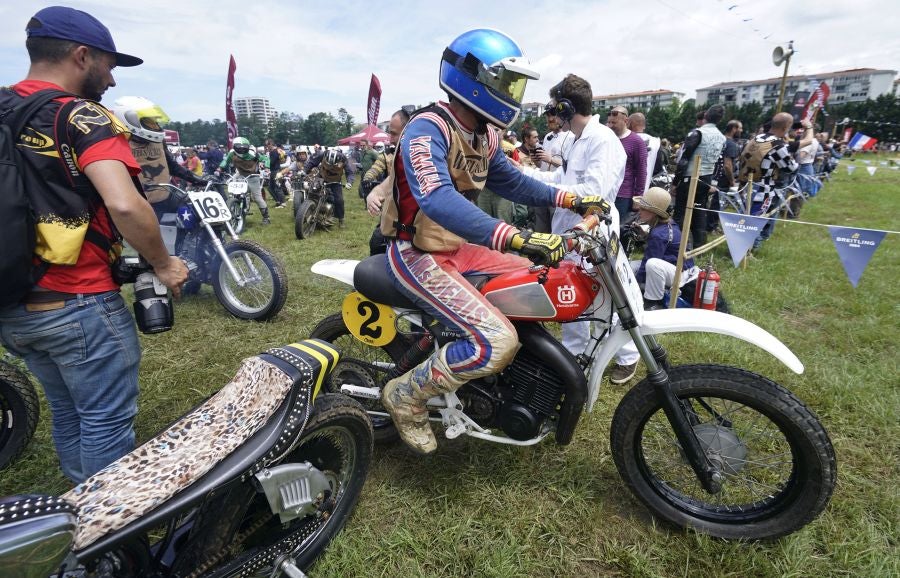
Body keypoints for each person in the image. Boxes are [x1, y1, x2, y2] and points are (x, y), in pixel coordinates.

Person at [378, 29, 604, 454]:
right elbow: (437, 197)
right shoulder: (427, 129)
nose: (513, 95)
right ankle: (406, 395)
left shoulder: (486, 134)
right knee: (496, 342)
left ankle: (515, 385)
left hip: (457, 248)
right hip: (416, 252)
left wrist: (570, 198)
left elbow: (514, 182)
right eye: (508, 84)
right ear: (473, 78)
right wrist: (516, 237)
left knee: (542, 280)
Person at [0, 6, 188, 483]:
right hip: (78, 302)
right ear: (82, 56)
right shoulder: (81, 116)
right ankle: (110, 544)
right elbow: (125, 205)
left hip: (15, 307)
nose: (112, 80)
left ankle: (77, 518)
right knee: (104, 419)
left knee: (69, 413)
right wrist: (164, 265)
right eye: (110, 65)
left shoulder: (4, 108)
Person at [522, 74, 640, 385]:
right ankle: (575, 352)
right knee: (571, 291)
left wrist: (548, 189)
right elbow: (562, 183)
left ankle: (628, 356)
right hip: (571, 232)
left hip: (591, 232)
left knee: (610, 298)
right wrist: (523, 175)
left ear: (564, 106)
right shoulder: (576, 139)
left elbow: (593, 192)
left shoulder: (601, 140)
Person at [110, 96, 208, 219]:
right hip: (139, 204)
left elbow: (170, 165)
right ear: (130, 120)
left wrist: (196, 179)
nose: (155, 126)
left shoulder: (158, 140)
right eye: (149, 122)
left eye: (155, 122)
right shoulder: (117, 143)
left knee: (192, 221)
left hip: (165, 196)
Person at [738, 113, 812, 250]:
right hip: (763, 189)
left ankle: (743, 247)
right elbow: (791, 168)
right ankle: (749, 250)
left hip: (745, 186)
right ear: (786, 128)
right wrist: (809, 127)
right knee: (756, 221)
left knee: (745, 220)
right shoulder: (778, 145)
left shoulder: (755, 139)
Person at [628, 187, 696, 310]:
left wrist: (636, 284)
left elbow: (649, 261)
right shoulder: (666, 223)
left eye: (643, 208)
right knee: (629, 267)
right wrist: (645, 235)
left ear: (654, 212)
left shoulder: (659, 234)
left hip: (684, 278)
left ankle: (653, 303)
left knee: (652, 265)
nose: (639, 211)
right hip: (679, 268)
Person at [671, 105, 726, 249]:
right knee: (700, 212)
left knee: (680, 212)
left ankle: (677, 244)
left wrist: (675, 182)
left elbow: (684, 159)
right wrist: (713, 182)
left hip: (689, 177)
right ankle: (699, 246)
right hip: (706, 178)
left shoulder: (697, 133)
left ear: (706, 115)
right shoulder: (722, 137)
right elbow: (719, 162)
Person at [606, 105, 647, 223]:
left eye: (614, 122)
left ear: (626, 121)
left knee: (619, 229)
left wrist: (637, 197)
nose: (610, 125)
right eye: (608, 122)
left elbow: (641, 171)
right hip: (605, 191)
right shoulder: (606, 138)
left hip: (623, 195)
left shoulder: (636, 142)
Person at [218, 136, 270, 224]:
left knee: (257, 197)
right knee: (233, 192)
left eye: (244, 148)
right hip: (240, 174)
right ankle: (234, 207)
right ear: (234, 147)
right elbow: (226, 161)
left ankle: (266, 218)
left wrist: (267, 167)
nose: (241, 150)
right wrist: (220, 168)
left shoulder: (252, 154)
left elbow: (265, 158)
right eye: (239, 148)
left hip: (253, 176)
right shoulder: (232, 153)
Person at [707, 119, 743, 234]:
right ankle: (711, 227)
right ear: (734, 129)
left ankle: (710, 224)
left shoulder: (718, 140)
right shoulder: (731, 144)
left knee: (711, 202)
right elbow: (728, 165)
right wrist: (732, 181)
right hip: (722, 179)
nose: (741, 131)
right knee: (717, 203)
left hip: (711, 174)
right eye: (740, 128)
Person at [304, 147, 354, 227]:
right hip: (321, 178)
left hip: (335, 181)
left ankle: (341, 219)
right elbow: (312, 163)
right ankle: (306, 210)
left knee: (339, 200)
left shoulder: (343, 159)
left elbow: (350, 172)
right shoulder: (322, 154)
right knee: (312, 191)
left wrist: (349, 182)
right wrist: (304, 171)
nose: (330, 166)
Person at [627, 112, 660, 193]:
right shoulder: (656, 142)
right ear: (644, 125)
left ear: (631, 123)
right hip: (645, 189)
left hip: (626, 189)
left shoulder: (627, 139)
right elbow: (658, 167)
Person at [264, 138, 287, 208]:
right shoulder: (274, 151)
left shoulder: (274, 151)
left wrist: (266, 162)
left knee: (277, 187)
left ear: (270, 144)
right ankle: (278, 201)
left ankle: (283, 203)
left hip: (276, 171)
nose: (266, 146)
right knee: (270, 188)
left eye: (267, 145)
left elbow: (272, 162)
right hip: (273, 171)